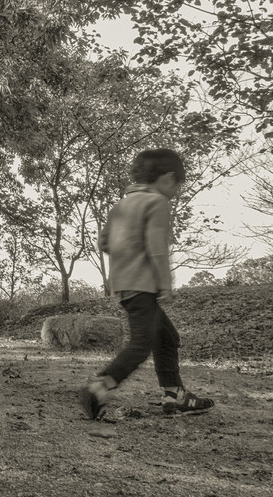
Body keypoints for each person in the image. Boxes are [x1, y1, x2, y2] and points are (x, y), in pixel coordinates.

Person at [80, 149, 214, 421]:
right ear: (168, 178)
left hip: (123, 284)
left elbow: (104, 243)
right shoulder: (156, 203)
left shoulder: (121, 205)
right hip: (144, 285)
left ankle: (174, 395)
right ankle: (99, 387)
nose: (175, 191)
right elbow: (156, 249)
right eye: (177, 185)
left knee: (167, 337)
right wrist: (165, 283)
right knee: (142, 342)